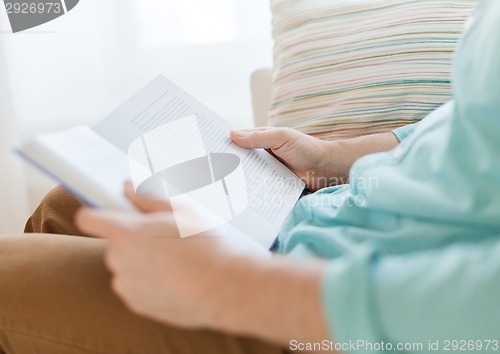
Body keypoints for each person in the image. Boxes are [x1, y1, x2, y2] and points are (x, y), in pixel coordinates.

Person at [1, 1, 499, 353]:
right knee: (69, 204)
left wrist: (226, 285)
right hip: (323, 225)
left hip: (337, 316)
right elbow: (465, 127)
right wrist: (327, 157)